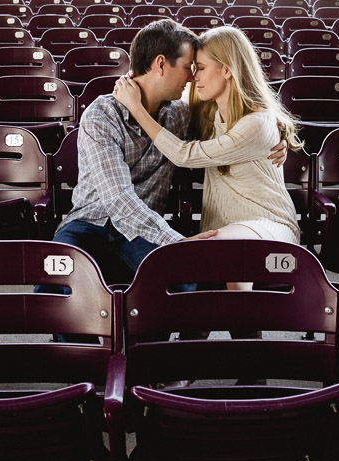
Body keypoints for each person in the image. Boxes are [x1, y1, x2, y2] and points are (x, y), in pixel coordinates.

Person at [50, 19, 288, 286]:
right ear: (161, 64)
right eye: (188, 67)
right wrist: (177, 242)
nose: (191, 77)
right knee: (54, 284)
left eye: (196, 69)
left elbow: (232, 131)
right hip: (91, 222)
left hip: (143, 231)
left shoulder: (180, 115)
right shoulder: (102, 113)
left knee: (183, 284)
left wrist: (279, 135)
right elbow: (118, 201)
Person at [113, 25, 304, 291]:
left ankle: (245, 332)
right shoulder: (207, 115)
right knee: (204, 273)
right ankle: (205, 333)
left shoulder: (258, 123)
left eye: (200, 67)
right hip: (221, 229)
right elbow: (153, 89)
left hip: (267, 224)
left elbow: (183, 154)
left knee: (229, 253)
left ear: (227, 69)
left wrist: (135, 107)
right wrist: (135, 88)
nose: (193, 77)